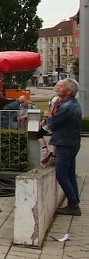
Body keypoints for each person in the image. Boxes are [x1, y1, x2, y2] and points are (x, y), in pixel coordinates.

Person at [45, 78, 82, 216]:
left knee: (61, 174)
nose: (57, 87)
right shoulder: (72, 104)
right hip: (71, 143)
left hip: (65, 144)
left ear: (69, 91)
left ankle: (73, 205)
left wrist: (49, 116)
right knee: (70, 173)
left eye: (60, 86)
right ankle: (74, 202)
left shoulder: (67, 107)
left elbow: (53, 124)